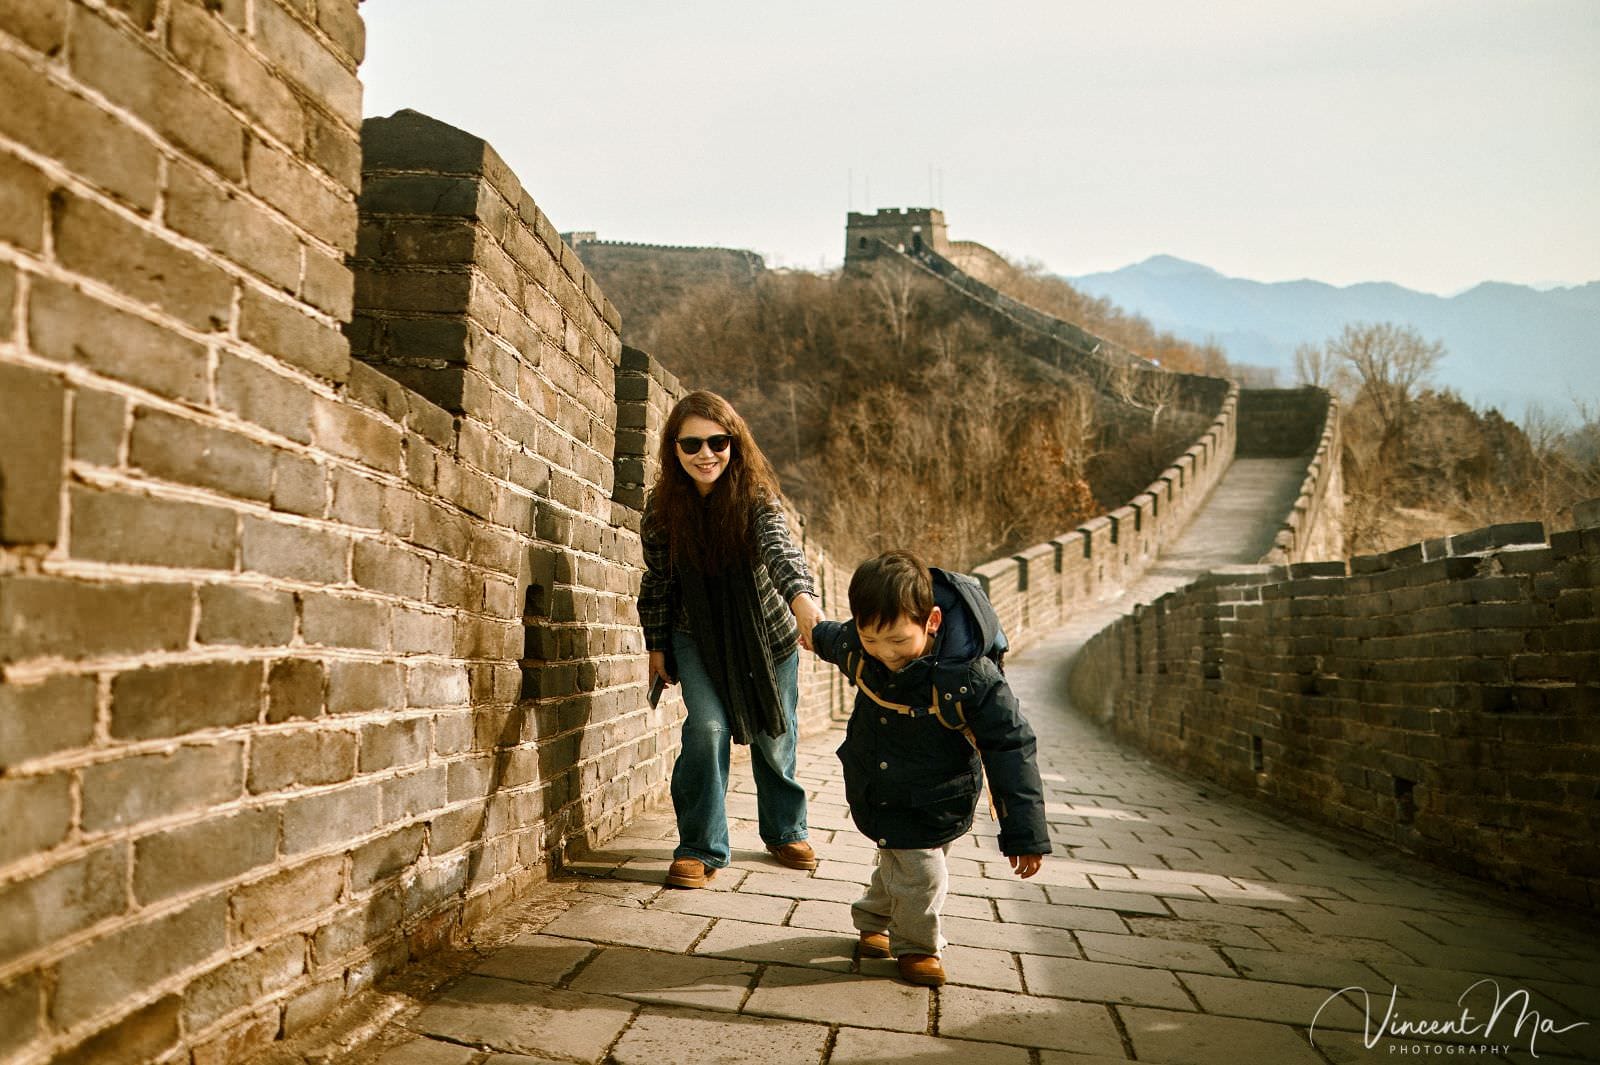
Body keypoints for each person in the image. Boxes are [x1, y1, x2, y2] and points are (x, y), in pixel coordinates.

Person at [810, 550, 1050, 987]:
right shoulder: (857, 645)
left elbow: (1011, 747)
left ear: (932, 622)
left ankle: (872, 919)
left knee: (909, 862)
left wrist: (1024, 833)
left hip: (942, 793)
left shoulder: (971, 678)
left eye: (899, 641)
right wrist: (806, 628)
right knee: (918, 871)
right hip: (878, 784)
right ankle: (917, 948)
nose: (885, 654)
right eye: (872, 640)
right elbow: (828, 636)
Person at [637, 390, 825, 889]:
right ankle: (700, 846)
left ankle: (786, 829)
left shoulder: (755, 498)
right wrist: (656, 645)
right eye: (692, 443)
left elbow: (780, 548)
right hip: (694, 636)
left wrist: (802, 599)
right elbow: (657, 581)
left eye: (717, 441)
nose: (706, 454)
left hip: (768, 639)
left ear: (734, 444)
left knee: (774, 736)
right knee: (708, 729)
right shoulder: (662, 512)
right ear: (673, 450)